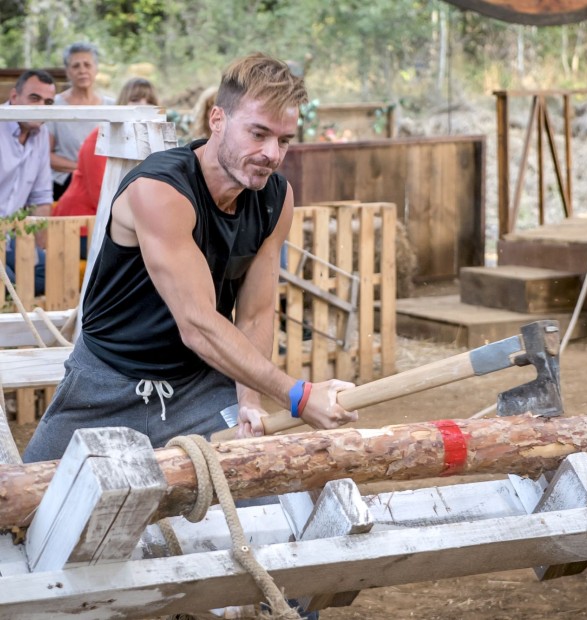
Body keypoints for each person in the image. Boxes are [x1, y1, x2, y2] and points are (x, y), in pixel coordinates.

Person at [23, 52, 358, 464]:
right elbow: (198, 324)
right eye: (258, 134)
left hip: (197, 386)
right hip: (106, 384)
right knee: (24, 511)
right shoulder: (160, 189)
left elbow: (255, 314)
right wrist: (298, 396)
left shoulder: (276, 198)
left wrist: (249, 399)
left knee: (278, 497)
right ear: (217, 120)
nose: (272, 153)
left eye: (284, 140)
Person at [53, 77, 159, 258]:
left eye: (149, 101)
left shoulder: (151, 142)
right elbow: (101, 195)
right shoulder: (100, 138)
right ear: (122, 104)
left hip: (115, 222)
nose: (143, 106)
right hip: (79, 225)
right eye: (135, 100)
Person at [0, 70, 56, 295]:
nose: (41, 107)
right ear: (14, 97)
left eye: (48, 102)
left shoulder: (41, 134)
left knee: (51, 275)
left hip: (13, 233)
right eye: (35, 98)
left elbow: (41, 198)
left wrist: (38, 248)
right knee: (10, 285)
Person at [48, 41, 115, 200]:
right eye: (76, 66)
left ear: (96, 69)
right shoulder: (55, 105)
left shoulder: (112, 106)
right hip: (65, 182)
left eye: (87, 65)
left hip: (104, 182)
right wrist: (84, 169)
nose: (82, 70)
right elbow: (45, 155)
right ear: (67, 71)